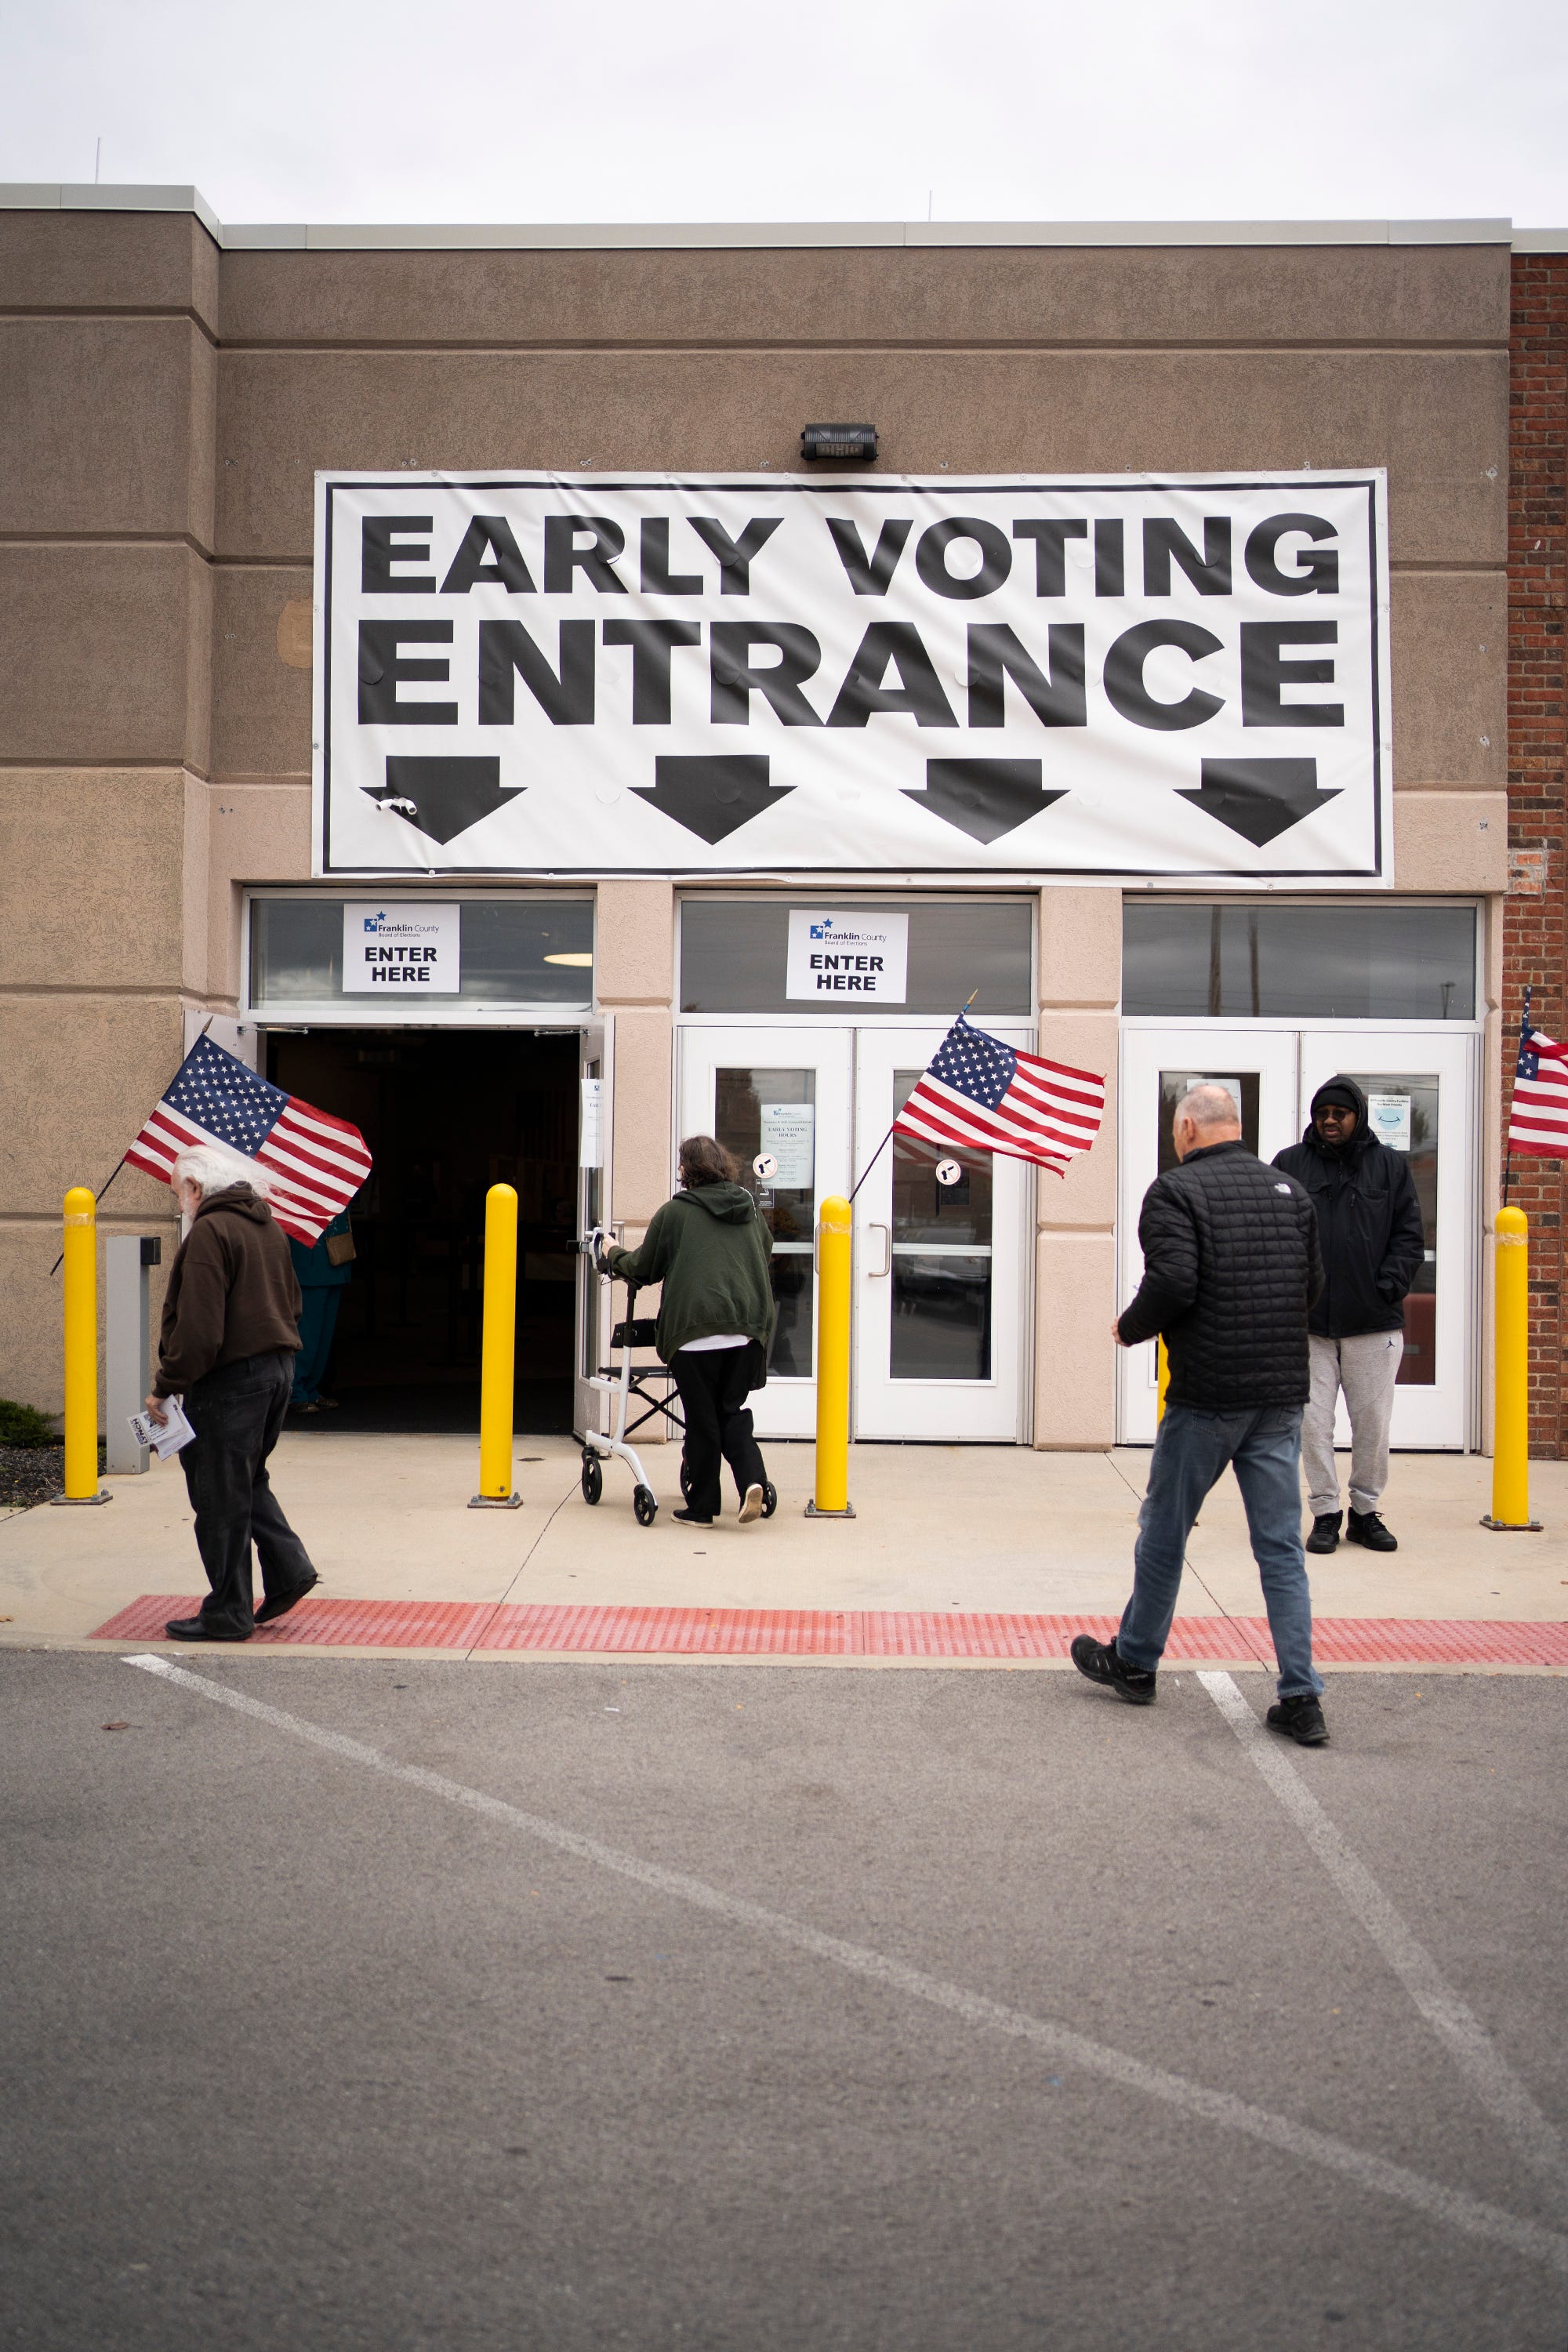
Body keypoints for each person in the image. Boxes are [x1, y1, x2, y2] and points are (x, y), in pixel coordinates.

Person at [1073, 1083, 1330, 1744]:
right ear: (1233, 1126)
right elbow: (1314, 1288)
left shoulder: (1174, 1193)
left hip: (1208, 1395)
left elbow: (1175, 1280)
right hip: (1279, 1396)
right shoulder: (1290, 1193)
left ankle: (1135, 1662)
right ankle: (1301, 1696)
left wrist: (1131, 1328)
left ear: (1186, 1127)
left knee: (1165, 1529)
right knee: (1279, 1548)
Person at [144, 1146, 318, 1642]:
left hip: (230, 1383)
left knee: (219, 1497)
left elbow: (199, 1331)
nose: (180, 1203)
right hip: (276, 1371)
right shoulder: (267, 1227)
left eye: (179, 1191)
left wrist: (167, 1386)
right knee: (247, 1480)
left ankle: (228, 1613)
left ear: (197, 1187)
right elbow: (294, 1302)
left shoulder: (210, 1232)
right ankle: (289, 1570)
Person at [1272, 1076, 1425, 1555]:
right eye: (1323, 1113)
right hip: (1309, 1325)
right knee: (1312, 1424)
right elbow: (1272, 1231)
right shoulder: (1290, 1164)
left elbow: (1408, 1236)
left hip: (1373, 1324)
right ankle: (1325, 1512)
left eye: (1340, 1113)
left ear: (1358, 1116)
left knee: (1372, 1424)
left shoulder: (1389, 1167)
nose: (1330, 1120)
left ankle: (1364, 1512)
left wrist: (1388, 1288)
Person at [602, 1136, 775, 1527]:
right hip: (746, 1330)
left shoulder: (675, 1214)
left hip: (694, 1334)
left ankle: (701, 1509)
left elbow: (643, 1268)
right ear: (724, 1164)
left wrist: (612, 1251)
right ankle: (752, 1480)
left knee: (702, 1422)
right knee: (730, 1411)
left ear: (686, 1170)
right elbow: (764, 1253)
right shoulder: (748, 1208)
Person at [289, 1206, 354, 1414]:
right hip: (310, 1262)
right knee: (308, 1333)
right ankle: (296, 1391)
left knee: (323, 1336)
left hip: (335, 1259)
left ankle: (311, 1389)